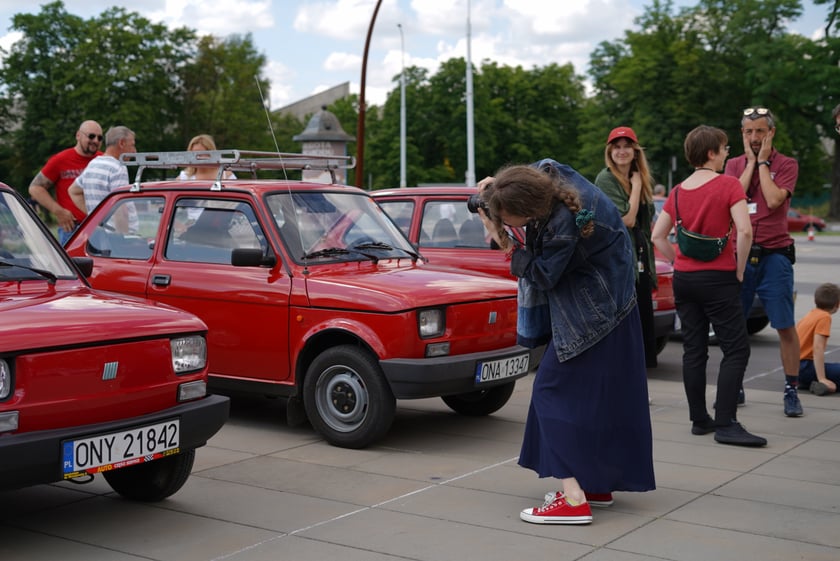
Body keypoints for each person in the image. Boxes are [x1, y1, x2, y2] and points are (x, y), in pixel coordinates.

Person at [477, 159, 655, 525]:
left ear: (528, 210)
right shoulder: (550, 176)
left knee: (549, 393)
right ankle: (596, 484)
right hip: (615, 306)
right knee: (597, 399)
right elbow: (526, 177)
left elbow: (542, 275)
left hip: (594, 315)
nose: (510, 225)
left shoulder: (562, 226)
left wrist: (504, 241)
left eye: (512, 220)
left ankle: (574, 500)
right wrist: (495, 192)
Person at [652, 125, 765, 447]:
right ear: (712, 153)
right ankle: (727, 422)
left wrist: (679, 262)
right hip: (719, 279)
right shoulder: (728, 185)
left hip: (685, 280)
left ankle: (700, 419)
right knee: (736, 349)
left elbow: (658, 236)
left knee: (694, 350)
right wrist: (739, 269)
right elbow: (744, 232)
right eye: (725, 148)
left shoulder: (676, 192)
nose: (728, 152)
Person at [724, 107, 802, 417]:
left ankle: (791, 390)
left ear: (771, 133)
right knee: (735, 326)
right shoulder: (732, 165)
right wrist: (751, 163)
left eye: (760, 131)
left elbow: (771, 200)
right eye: (748, 132)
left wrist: (765, 163)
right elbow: (735, 196)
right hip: (740, 256)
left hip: (775, 256)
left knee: (784, 326)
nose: (754, 137)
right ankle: (735, 387)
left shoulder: (787, 164)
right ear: (741, 135)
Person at [594, 126, 659, 368]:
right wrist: (637, 187)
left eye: (627, 146)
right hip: (619, 264)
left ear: (635, 150)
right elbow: (627, 221)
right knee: (624, 329)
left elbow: (645, 224)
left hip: (639, 262)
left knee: (641, 329)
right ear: (610, 151)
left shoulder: (637, 176)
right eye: (617, 147)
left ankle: (636, 387)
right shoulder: (607, 179)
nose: (622, 151)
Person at [28, 120, 103, 244]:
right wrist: (59, 211)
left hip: (101, 229)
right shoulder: (61, 160)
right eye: (91, 136)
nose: (95, 140)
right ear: (78, 135)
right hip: (73, 229)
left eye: (99, 138)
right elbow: (35, 188)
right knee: (72, 264)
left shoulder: (104, 160)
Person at [68, 126, 138, 234]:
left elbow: (73, 191)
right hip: (117, 237)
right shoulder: (118, 168)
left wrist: (95, 217)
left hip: (100, 234)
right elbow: (120, 209)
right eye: (132, 145)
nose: (134, 151)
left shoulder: (93, 164)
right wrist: (123, 239)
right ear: (122, 143)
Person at [796, 283, 840, 396]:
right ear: (837, 304)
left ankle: (808, 382)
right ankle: (821, 383)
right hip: (806, 367)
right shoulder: (824, 317)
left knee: (834, 368)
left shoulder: (811, 314)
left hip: (796, 368)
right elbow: (818, 348)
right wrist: (822, 378)